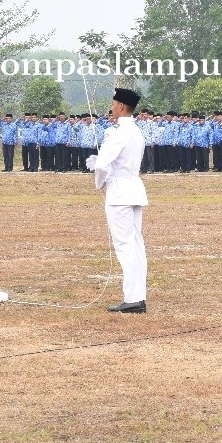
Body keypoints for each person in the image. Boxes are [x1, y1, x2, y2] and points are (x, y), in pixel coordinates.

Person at [86, 87, 148, 313]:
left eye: (113, 104)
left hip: (120, 192)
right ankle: (138, 295)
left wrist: (99, 182)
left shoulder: (117, 132)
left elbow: (103, 165)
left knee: (125, 246)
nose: (111, 107)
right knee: (136, 245)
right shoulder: (136, 131)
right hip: (134, 188)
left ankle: (132, 298)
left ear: (121, 106)